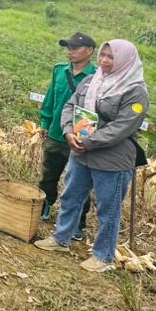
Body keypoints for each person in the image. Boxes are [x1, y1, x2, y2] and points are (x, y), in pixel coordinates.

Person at [36, 40, 149, 273]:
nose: (105, 60)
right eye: (103, 55)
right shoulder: (92, 80)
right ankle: (61, 238)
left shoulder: (135, 92)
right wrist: (68, 131)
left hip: (111, 159)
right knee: (71, 196)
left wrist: (88, 141)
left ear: (125, 60)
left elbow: (123, 127)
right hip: (81, 152)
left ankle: (103, 255)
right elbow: (70, 105)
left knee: (108, 208)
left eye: (111, 57)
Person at [37, 32, 97, 238]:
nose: (70, 51)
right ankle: (44, 206)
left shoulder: (97, 77)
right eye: (68, 47)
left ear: (89, 51)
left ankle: (78, 223)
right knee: (48, 175)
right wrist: (44, 121)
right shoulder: (59, 71)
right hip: (55, 133)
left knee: (80, 182)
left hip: (80, 138)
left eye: (75, 48)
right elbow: (50, 97)